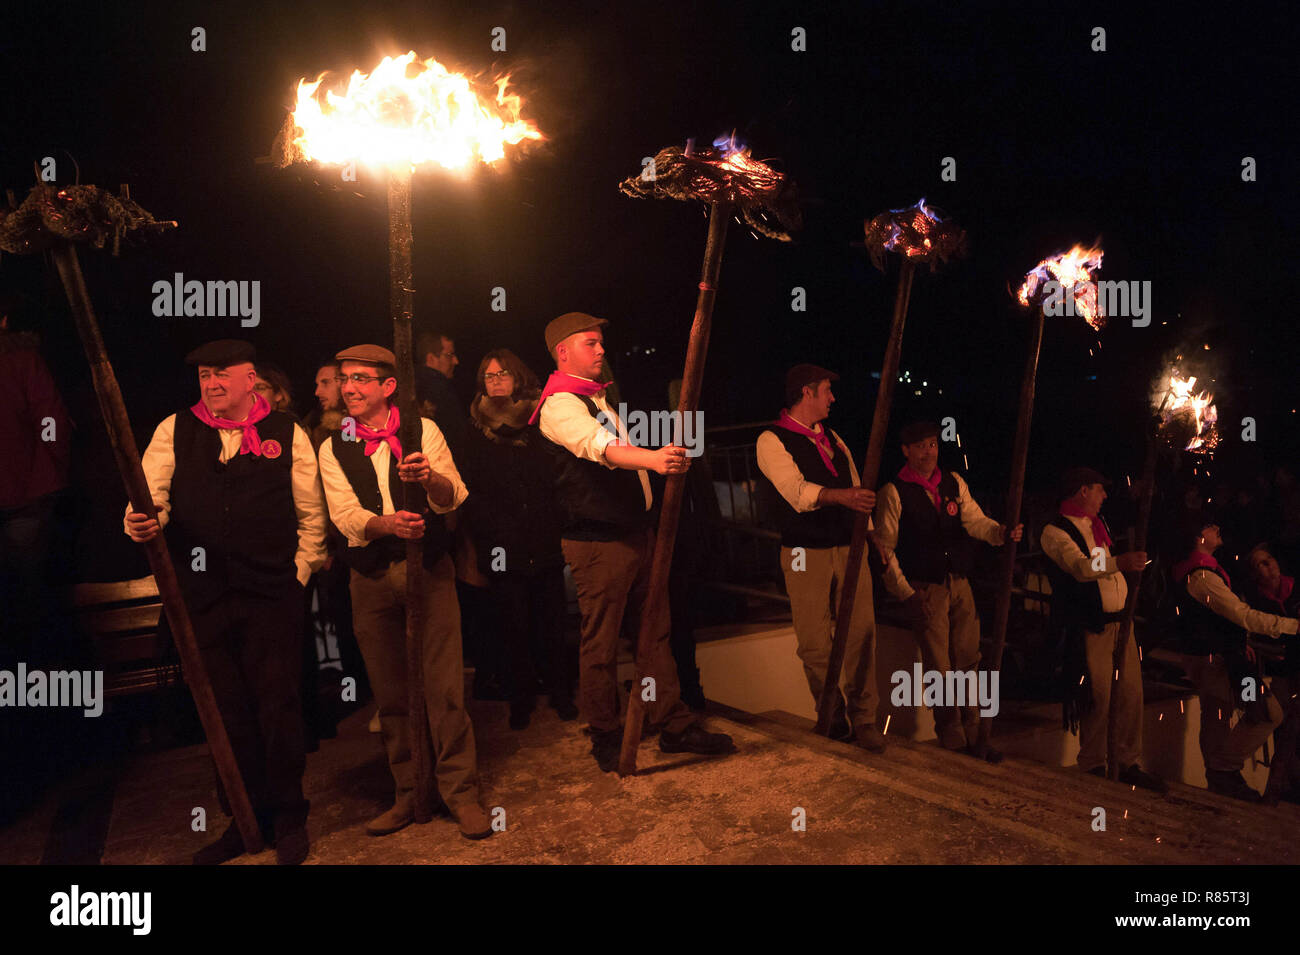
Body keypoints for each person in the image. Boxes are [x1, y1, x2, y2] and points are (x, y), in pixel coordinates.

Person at [124, 339, 327, 864]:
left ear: (250, 380)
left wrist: (299, 574)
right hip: (204, 597)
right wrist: (141, 519)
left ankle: (287, 818)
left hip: (272, 594)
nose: (211, 384)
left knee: (277, 706)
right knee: (224, 709)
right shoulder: (175, 429)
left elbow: (311, 516)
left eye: (221, 374)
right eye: (204, 375)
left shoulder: (286, 432)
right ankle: (243, 819)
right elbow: (151, 497)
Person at [533, 312, 734, 771]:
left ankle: (673, 724)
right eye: (591, 343)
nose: (601, 350)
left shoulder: (597, 398)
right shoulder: (561, 404)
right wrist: (655, 459)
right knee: (601, 642)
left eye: (601, 342)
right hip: (598, 542)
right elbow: (599, 449)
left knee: (654, 632)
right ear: (564, 352)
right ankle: (604, 732)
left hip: (632, 534)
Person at [316, 344, 492, 839]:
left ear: (388, 387)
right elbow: (344, 517)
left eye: (360, 379)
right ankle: (410, 792)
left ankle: (461, 793)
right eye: (344, 378)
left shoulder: (422, 430)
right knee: (392, 695)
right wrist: (387, 524)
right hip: (370, 578)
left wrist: (429, 478)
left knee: (445, 690)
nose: (349, 388)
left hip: (428, 573)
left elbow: (453, 494)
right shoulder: (335, 445)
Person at [874, 420, 1022, 762]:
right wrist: (905, 593)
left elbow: (974, 520)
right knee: (939, 665)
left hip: (959, 582)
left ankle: (976, 731)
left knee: (968, 658)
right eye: (921, 446)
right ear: (906, 451)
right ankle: (952, 734)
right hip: (925, 587)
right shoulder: (894, 492)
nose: (929, 451)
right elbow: (886, 548)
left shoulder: (953, 482)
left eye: (933, 444)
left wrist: (1000, 532)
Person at [755, 364, 883, 751]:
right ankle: (831, 713)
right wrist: (840, 496)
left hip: (849, 546)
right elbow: (795, 492)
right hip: (802, 551)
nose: (833, 398)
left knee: (861, 633)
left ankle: (865, 719)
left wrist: (873, 537)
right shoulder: (771, 440)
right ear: (806, 393)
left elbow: (857, 487)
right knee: (814, 640)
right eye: (827, 390)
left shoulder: (834, 438)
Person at [461, 348, 574, 729]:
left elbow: (553, 479)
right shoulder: (475, 429)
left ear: (517, 378)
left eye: (502, 374)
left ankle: (562, 694)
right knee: (512, 625)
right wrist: (486, 533)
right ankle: (521, 699)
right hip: (500, 544)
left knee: (552, 623)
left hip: (542, 537)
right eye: (489, 376)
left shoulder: (538, 421)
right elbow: (471, 488)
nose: (495, 381)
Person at [1040, 467, 1164, 791]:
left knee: (1131, 694)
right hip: (1090, 625)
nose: (1104, 495)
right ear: (1082, 491)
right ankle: (1094, 762)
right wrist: (1119, 563)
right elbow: (1081, 568)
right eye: (1099, 489)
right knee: (1099, 696)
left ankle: (1127, 762)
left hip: (1120, 625)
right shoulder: (1055, 531)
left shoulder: (1099, 525)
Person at [1171, 521, 1292, 801]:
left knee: (1217, 716)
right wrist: (1293, 626)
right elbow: (1241, 614)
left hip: (1219, 657)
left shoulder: (1201, 570)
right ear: (1199, 537)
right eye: (1211, 528)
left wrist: (1242, 641)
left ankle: (1219, 777)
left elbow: (1224, 618)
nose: (1217, 530)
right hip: (1217, 661)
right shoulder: (1201, 576)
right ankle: (1223, 770)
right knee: (1265, 712)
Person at [303, 359, 345, 450]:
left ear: (344, 383)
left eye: (325, 383)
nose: (317, 392)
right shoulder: (314, 427)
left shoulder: (364, 422)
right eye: (317, 385)